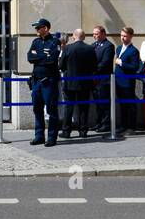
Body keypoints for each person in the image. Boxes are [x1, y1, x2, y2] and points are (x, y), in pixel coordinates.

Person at [26, 19, 60, 147]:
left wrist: (38, 57)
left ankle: (52, 137)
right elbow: (29, 58)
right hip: (36, 81)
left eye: (38, 27)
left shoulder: (54, 41)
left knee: (51, 110)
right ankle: (39, 135)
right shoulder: (36, 41)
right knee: (37, 109)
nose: (36, 30)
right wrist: (43, 56)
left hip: (49, 81)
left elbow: (52, 60)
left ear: (45, 28)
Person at [59, 29, 96, 139]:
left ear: (74, 36)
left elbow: (61, 66)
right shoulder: (90, 49)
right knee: (84, 107)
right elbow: (94, 66)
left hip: (70, 82)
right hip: (85, 82)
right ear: (83, 37)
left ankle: (66, 131)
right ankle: (83, 131)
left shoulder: (67, 48)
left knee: (69, 107)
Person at [114, 27, 142, 133]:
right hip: (118, 81)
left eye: (125, 36)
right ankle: (123, 125)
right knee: (122, 104)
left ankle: (131, 126)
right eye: (121, 35)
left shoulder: (133, 51)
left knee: (130, 104)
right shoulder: (119, 48)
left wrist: (121, 63)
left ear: (130, 36)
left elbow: (134, 67)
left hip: (127, 82)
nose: (123, 38)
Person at [90, 25, 114, 132]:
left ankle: (106, 124)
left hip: (104, 79)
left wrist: (93, 71)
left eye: (97, 33)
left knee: (104, 103)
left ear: (103, 34)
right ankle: (98, 123)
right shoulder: (93, 45)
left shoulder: (109, 46)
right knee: (97, 103)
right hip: (94, 79)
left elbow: (105, 63)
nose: (94, 36)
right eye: (94, 34)